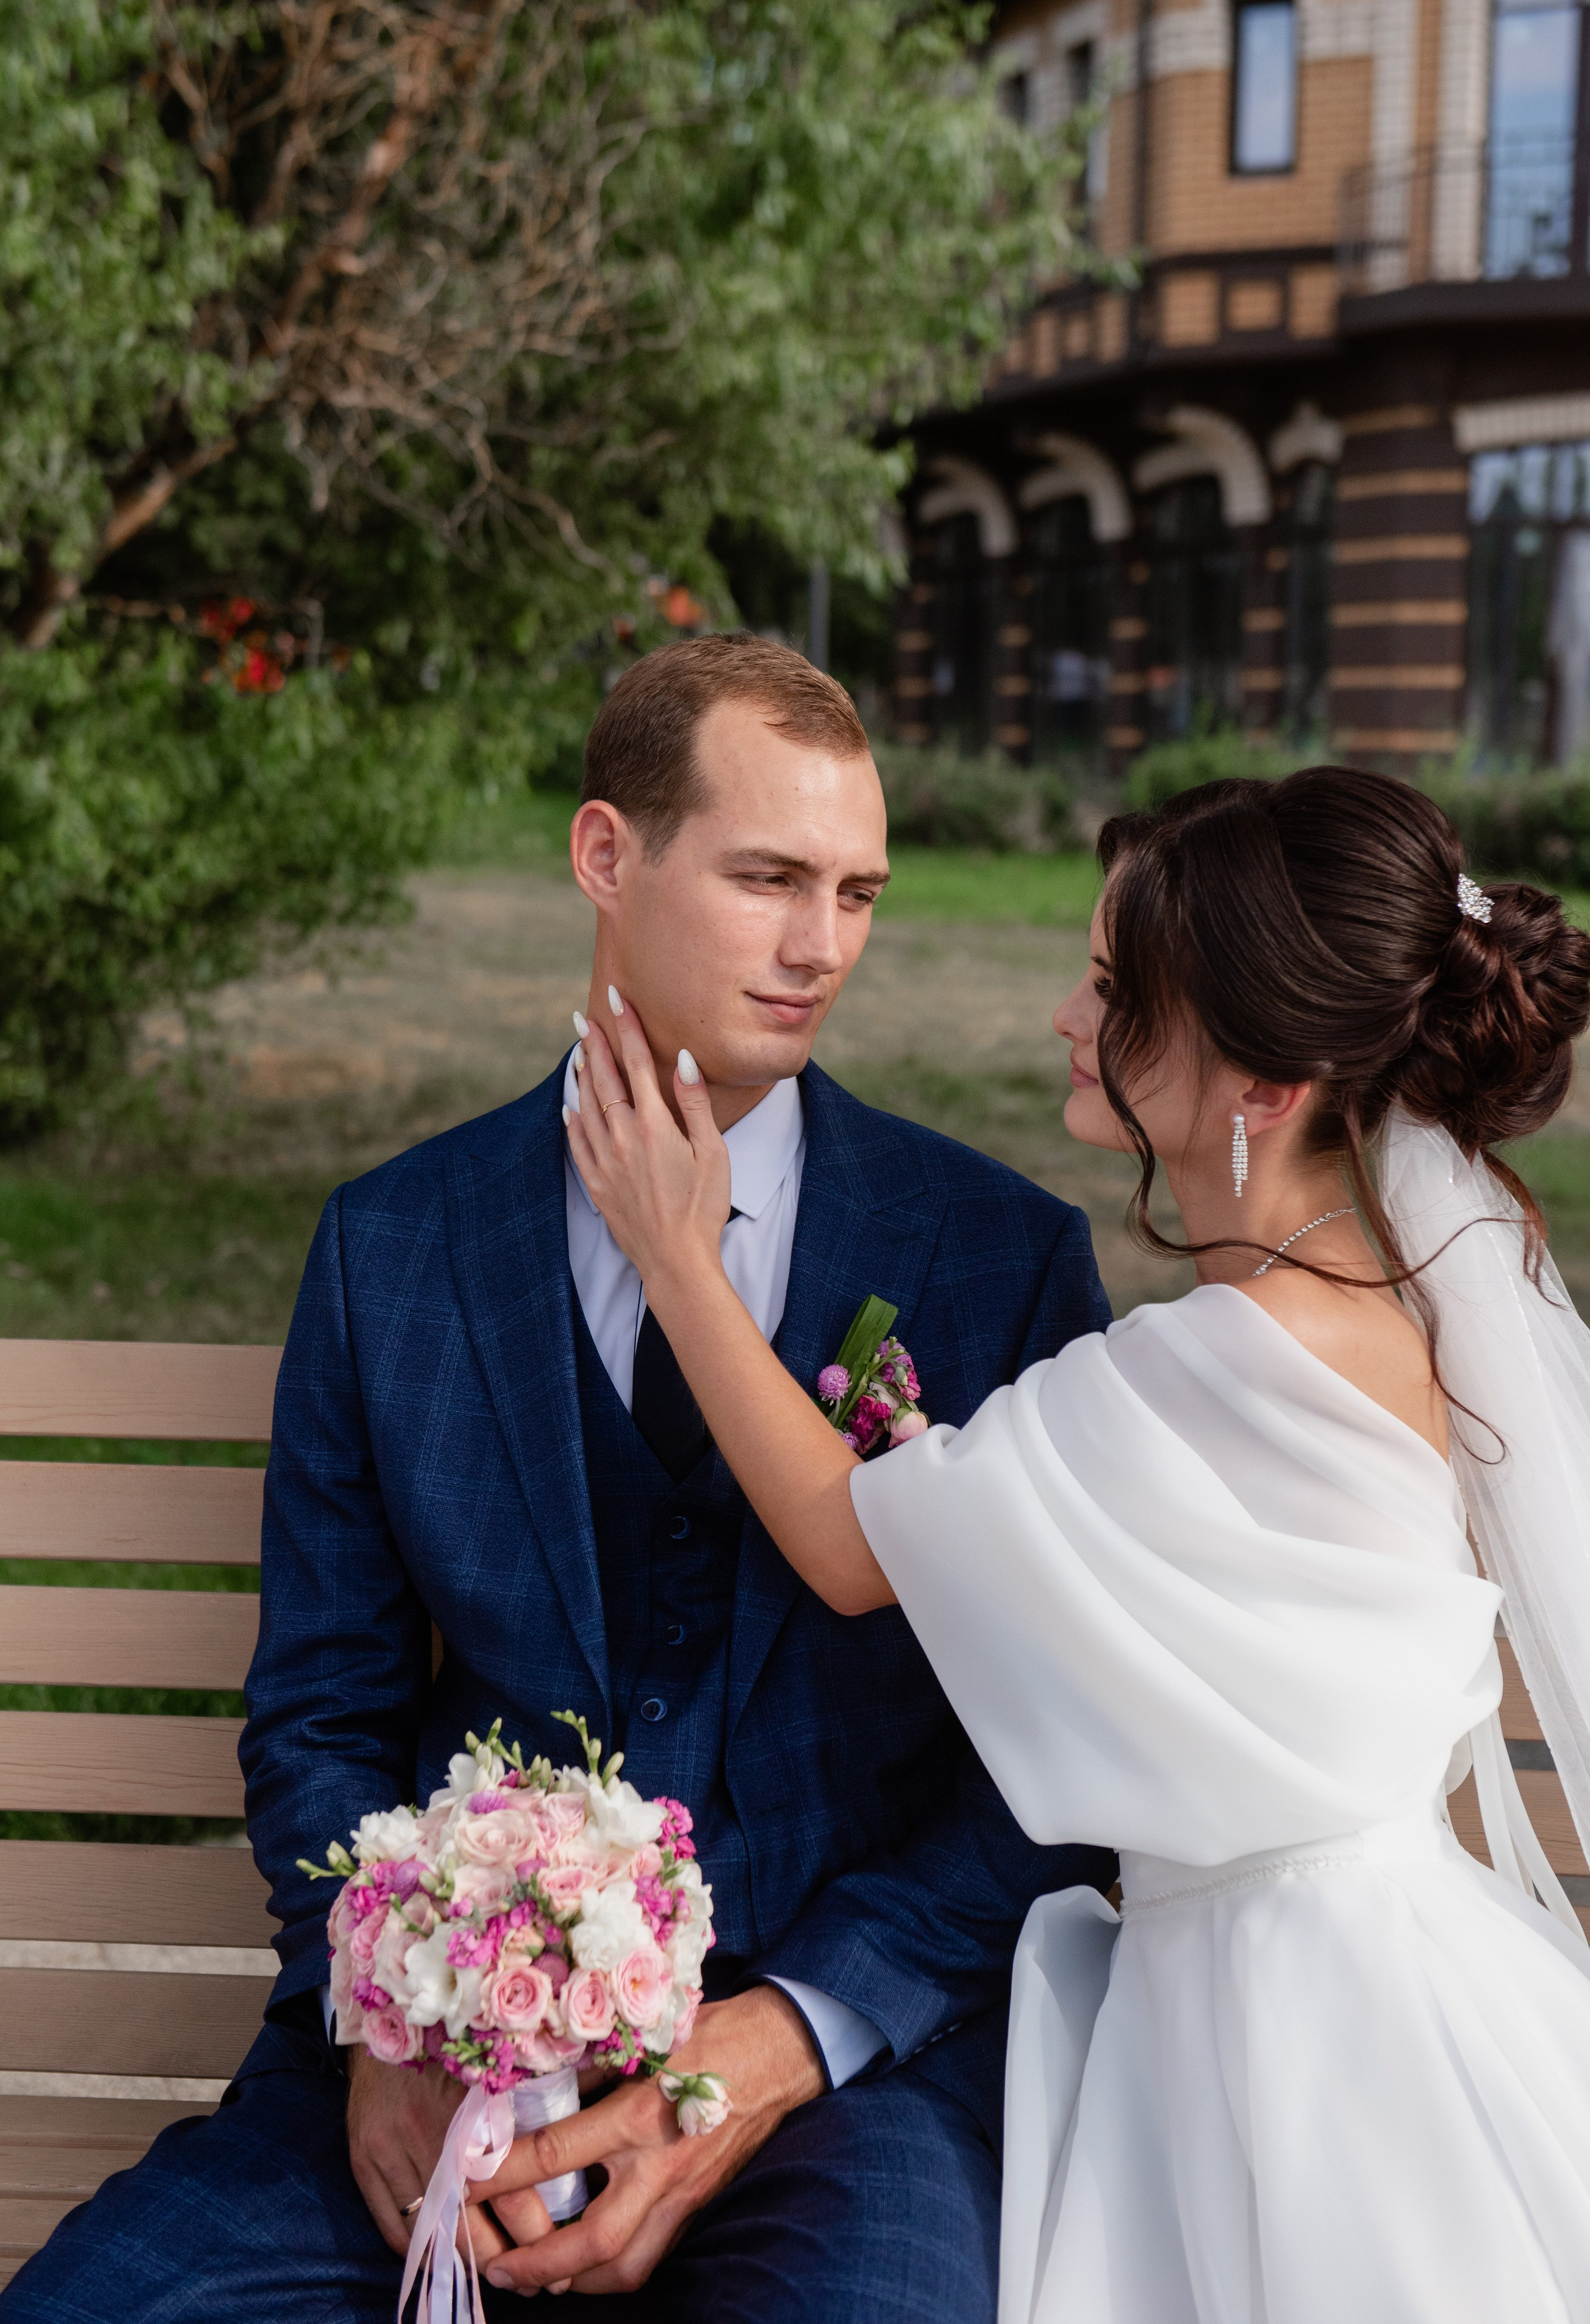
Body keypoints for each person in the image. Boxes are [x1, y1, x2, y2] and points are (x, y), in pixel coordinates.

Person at [1, 635, 1115, 2324]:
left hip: (838, 2087)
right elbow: (321, 1712)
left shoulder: (991, 1260)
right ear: (608, 854)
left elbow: (1045, 1769)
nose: (824, 946)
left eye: (860, 892)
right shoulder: (396, 1247)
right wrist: (379, 2023)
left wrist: (792, 2032)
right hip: (441, 2058)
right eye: (768, 877)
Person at [545, 764, 1590, 2322]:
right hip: (1380, 1970)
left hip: (1288, 2033)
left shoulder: (1214, 1359)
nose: (1063, 1016)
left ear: (1262, 1088)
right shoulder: (1398, 1303)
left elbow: (847, 1544)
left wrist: (676, 1258)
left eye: (1114, 991)